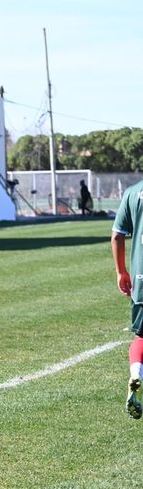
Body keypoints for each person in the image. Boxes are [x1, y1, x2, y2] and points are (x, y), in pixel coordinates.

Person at [112, 178, 143, 420]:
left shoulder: (133, 192)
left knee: (141, 336)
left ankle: (136, 372)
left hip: (141, 279)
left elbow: (117, 235)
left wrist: (121, 271)